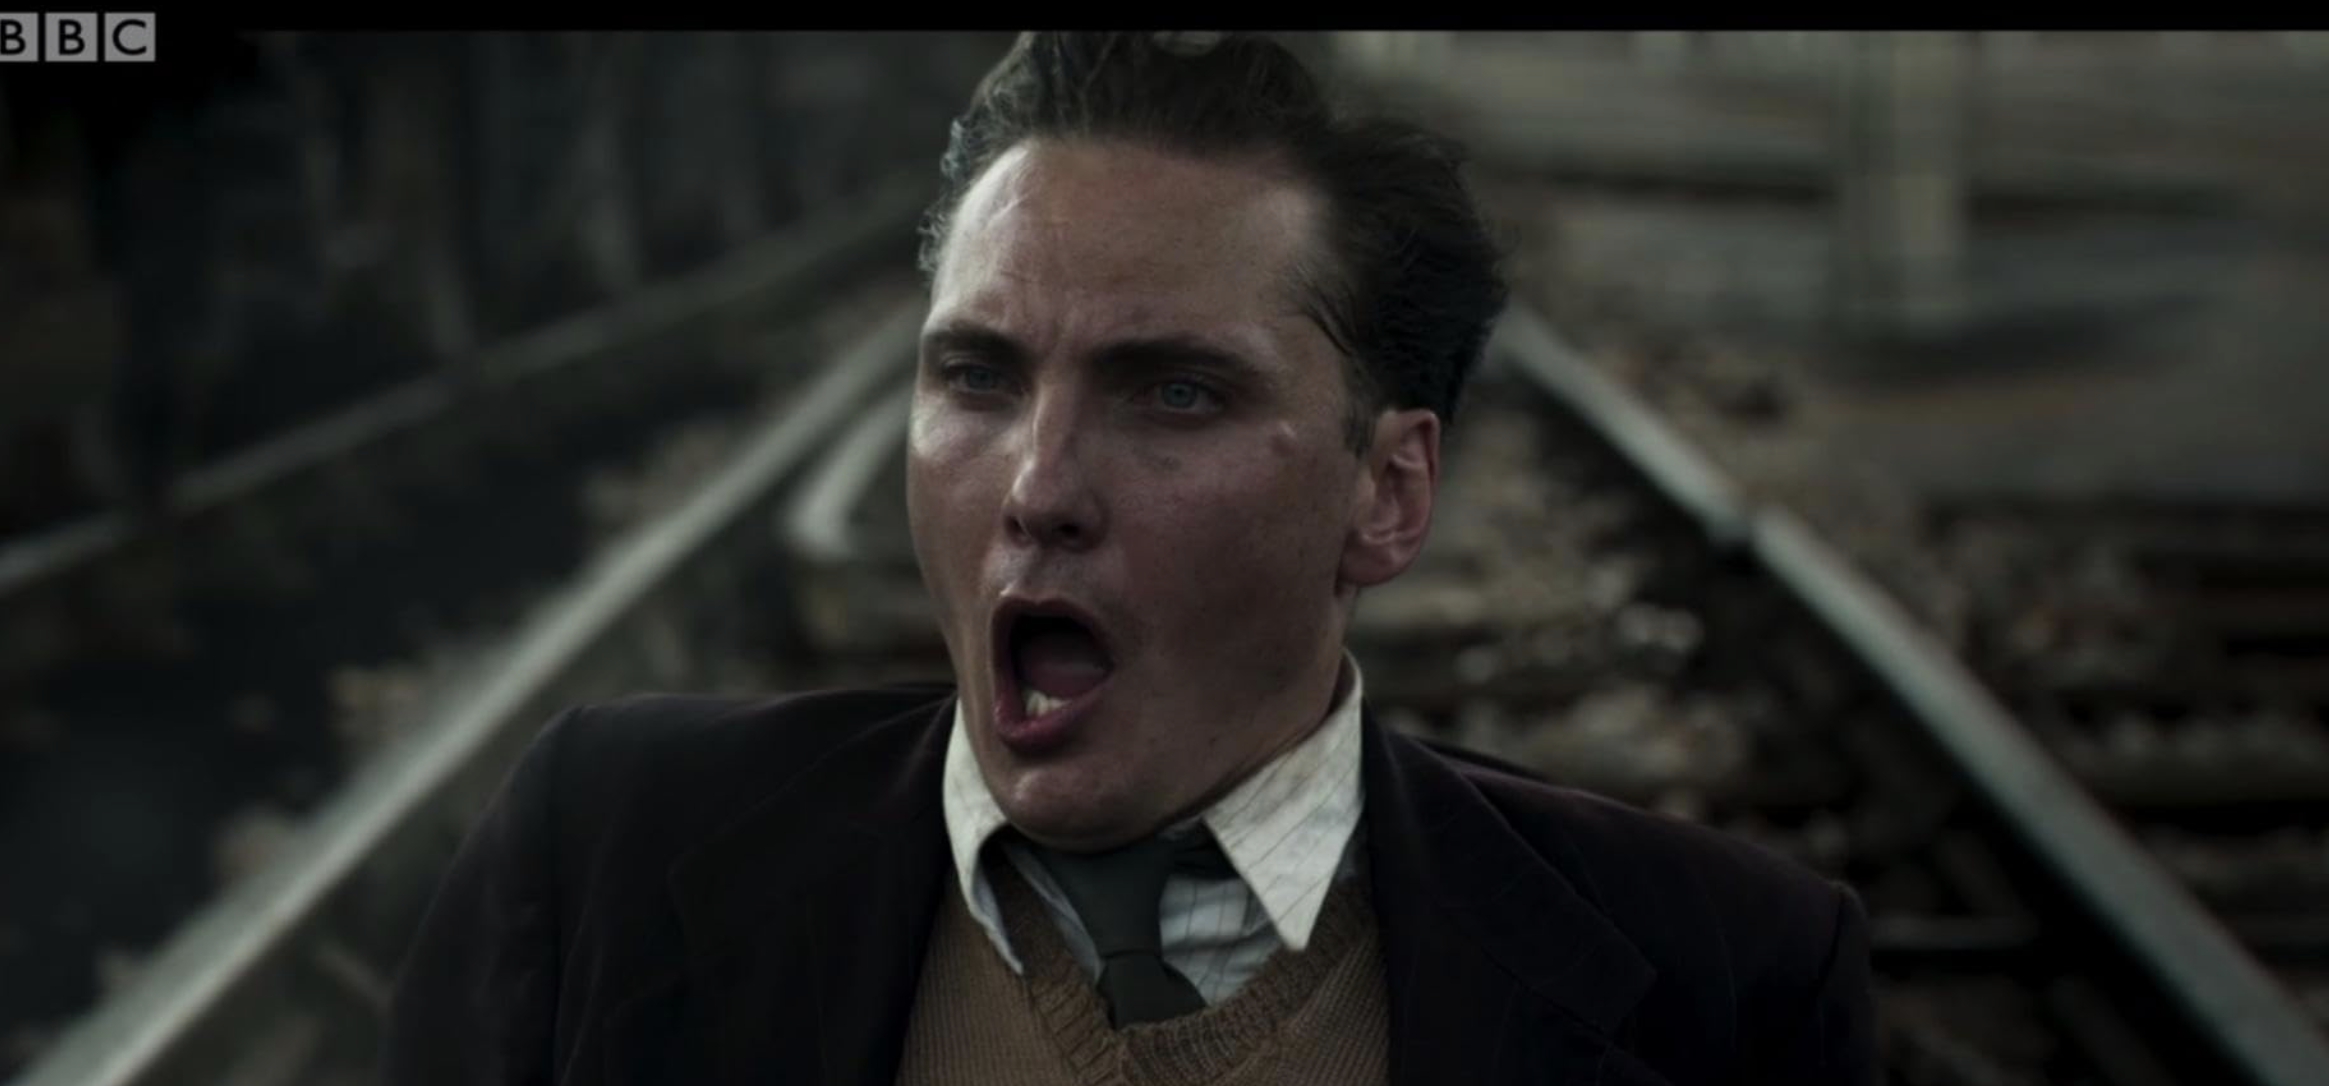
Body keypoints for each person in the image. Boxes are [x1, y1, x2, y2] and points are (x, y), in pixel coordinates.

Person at [379, 31, 1877, 1086]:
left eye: (1174, 395)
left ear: (1387, 491)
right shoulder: (605, 860)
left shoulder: (1726, 981)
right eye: (978, 376)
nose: (1039, 488)